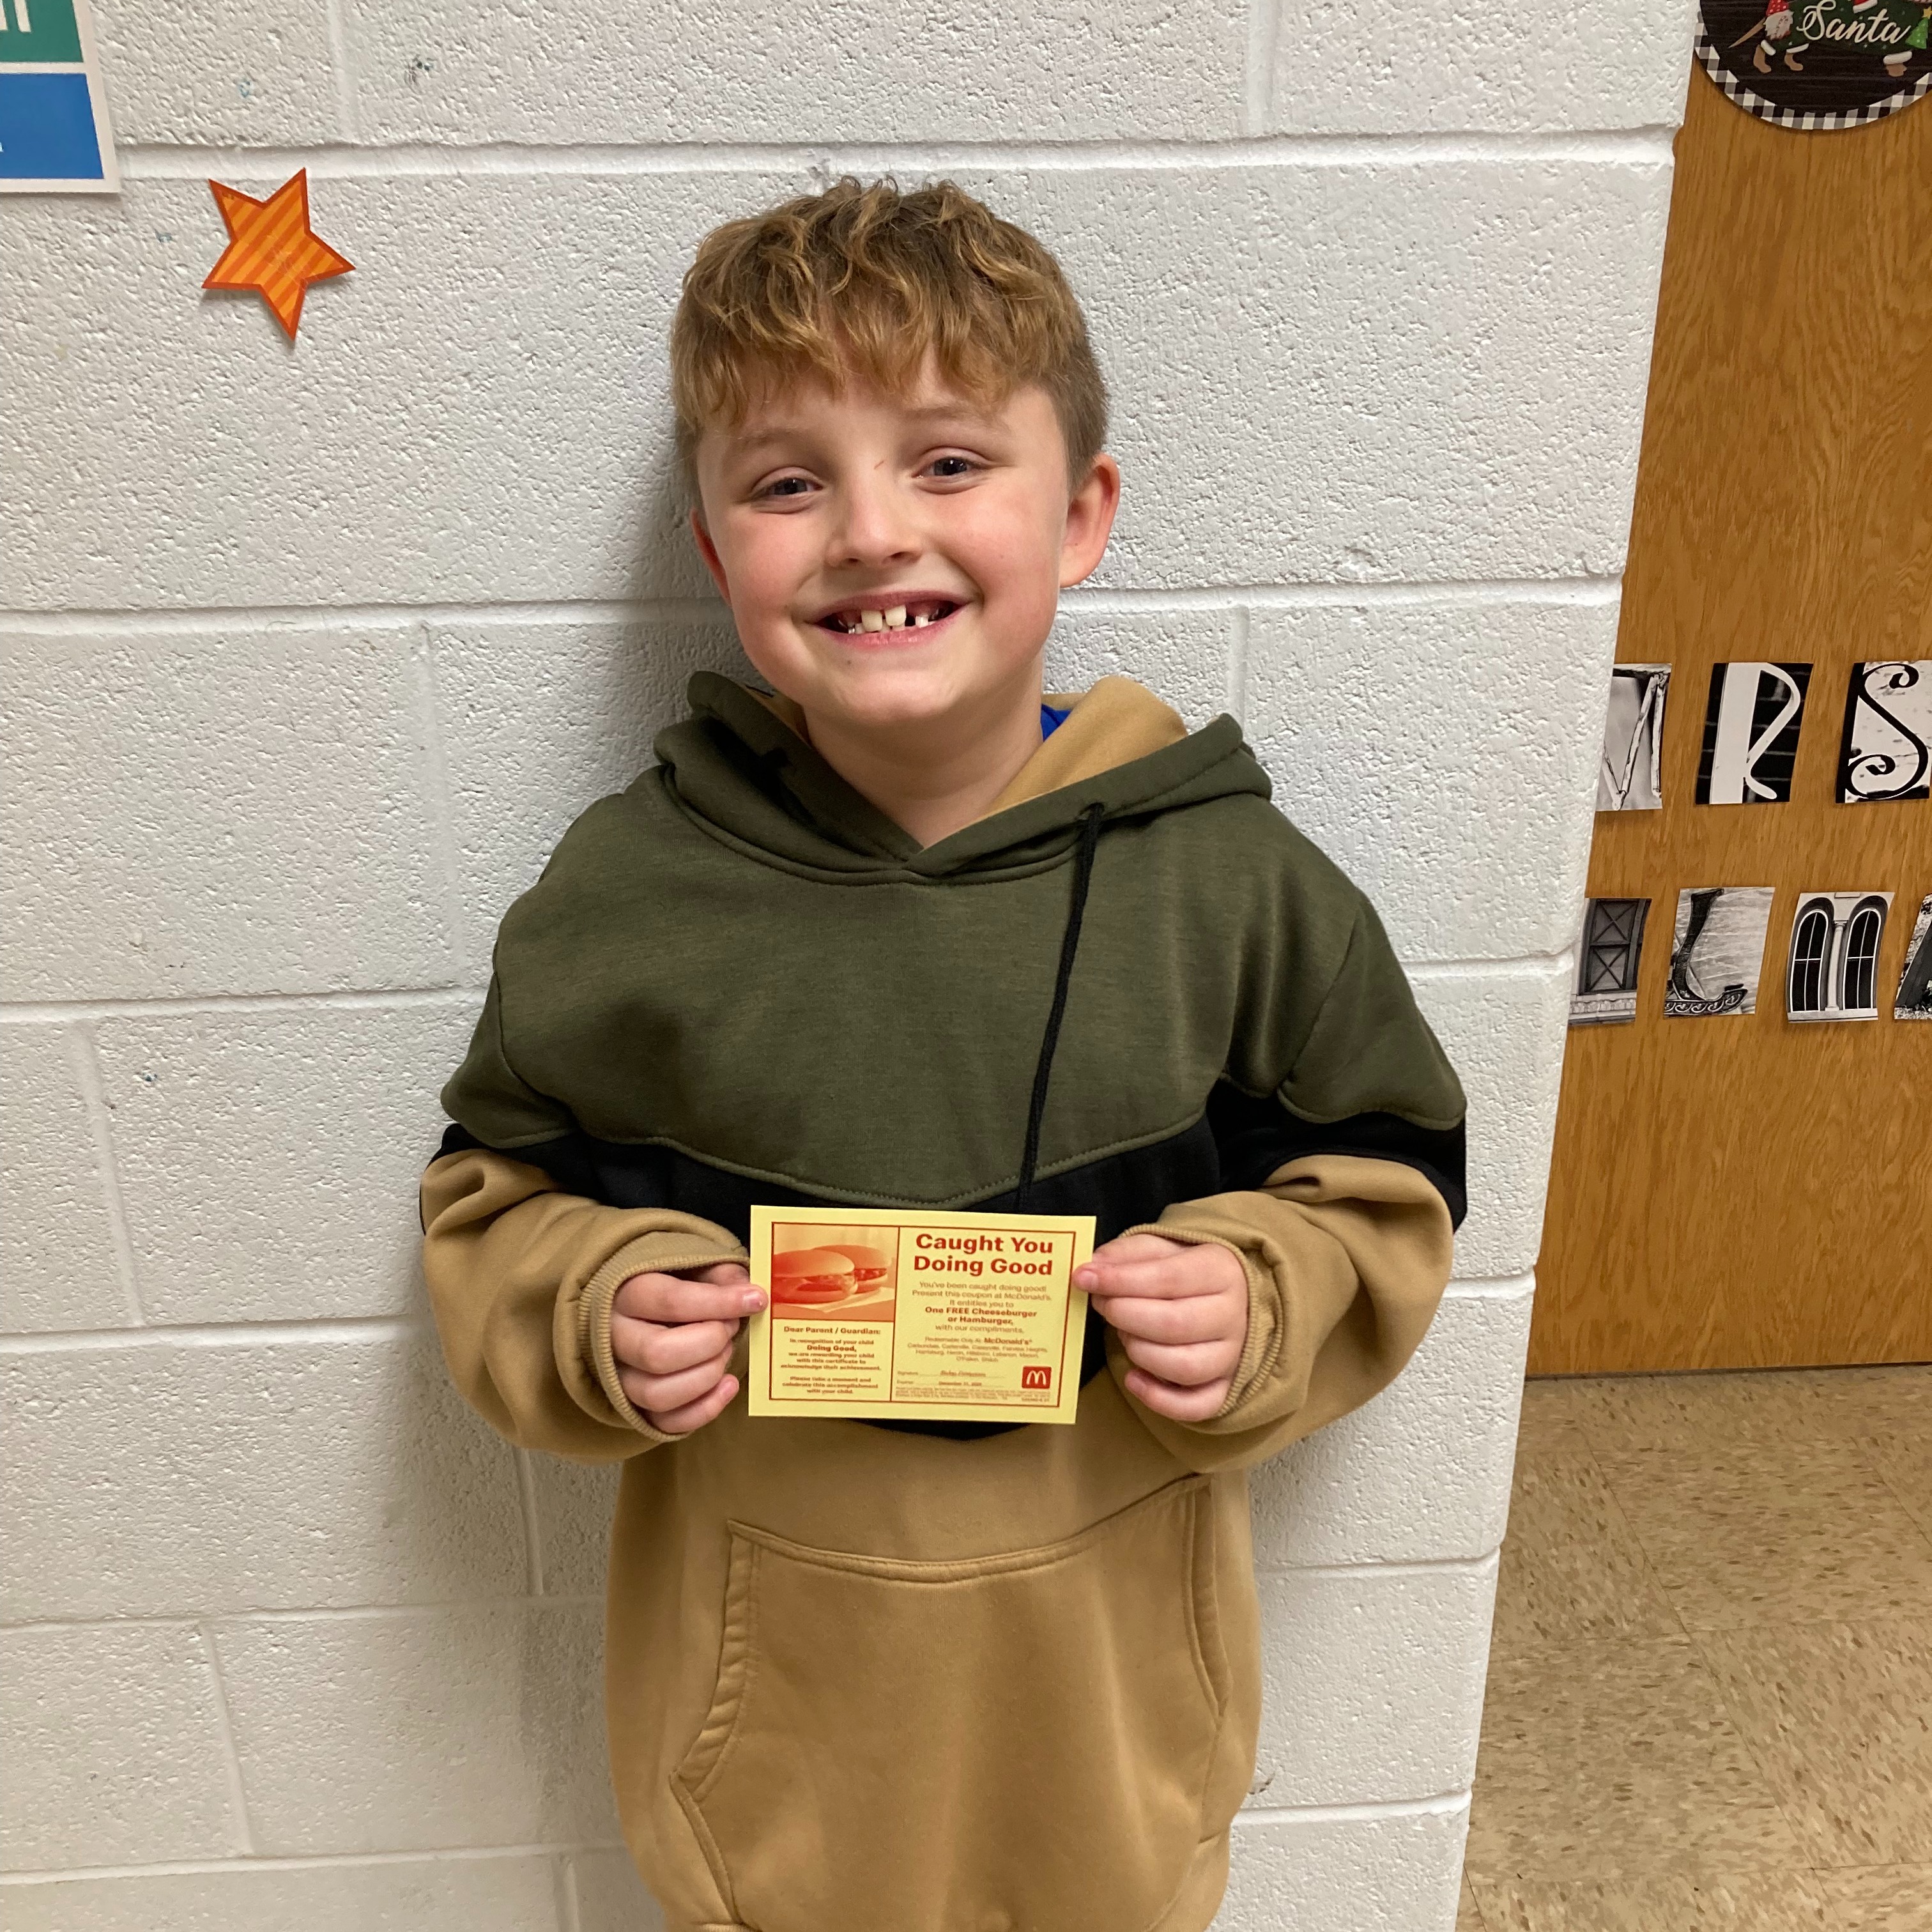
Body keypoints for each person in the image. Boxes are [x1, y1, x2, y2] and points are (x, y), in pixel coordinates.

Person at [421, 176, 1465, 1932]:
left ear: (1081, 516)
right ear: (715, 552)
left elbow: (1388, 1181)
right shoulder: (628, 894)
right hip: (772, 1759)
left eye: (951, 462)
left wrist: (1264, 1287)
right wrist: (593, 1304)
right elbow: (489, 1201)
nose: (869, 532)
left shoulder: (1234, 885)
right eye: (785, 481)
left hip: (1112, 1732)